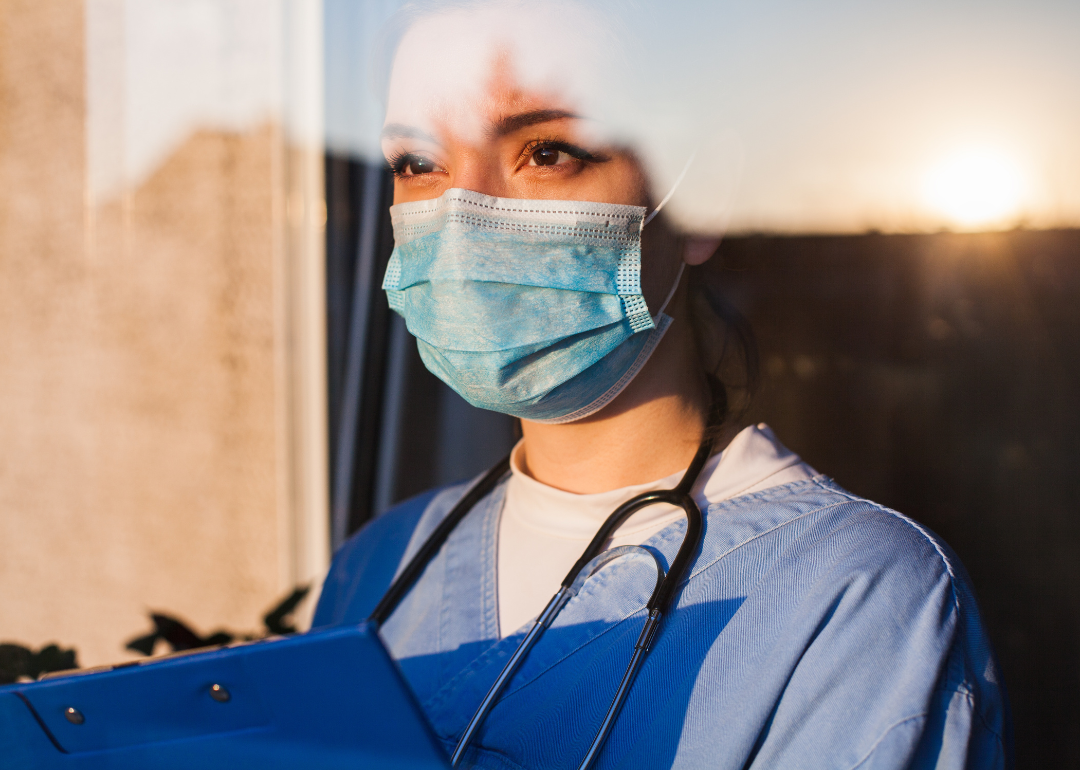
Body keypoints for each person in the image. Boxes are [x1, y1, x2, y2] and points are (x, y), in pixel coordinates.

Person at [313, 2, 1011, 767]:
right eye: (418, 163)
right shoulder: (375, 570)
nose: (464, 214)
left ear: (703, 193)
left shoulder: (858, 598)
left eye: (547, 151)